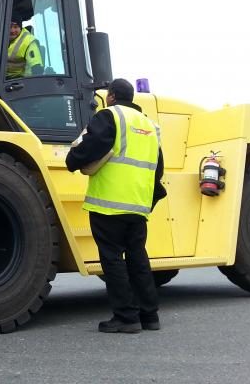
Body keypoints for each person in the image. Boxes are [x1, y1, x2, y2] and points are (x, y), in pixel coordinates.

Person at [65, 78, 166, 334]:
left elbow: (93, 144)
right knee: (138, 258)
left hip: (109, 204)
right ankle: (149, 315)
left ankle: (126, 317)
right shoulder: (150, 126)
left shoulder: (110, 116)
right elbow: (158, 168)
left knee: (112, 259)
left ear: (110, 96)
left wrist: (72, 160)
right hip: (138, 205)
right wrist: (149, 200)